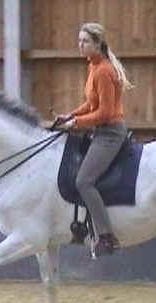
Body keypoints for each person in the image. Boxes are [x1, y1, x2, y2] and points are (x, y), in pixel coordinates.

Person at [56, 22, 133, 256]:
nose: (81, 46)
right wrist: (70, 115)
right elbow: (91, 104)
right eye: (79, 41)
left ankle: (107, 237)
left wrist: (75, 124)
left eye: (85, 42)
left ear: (98, 44)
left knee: (84, 181)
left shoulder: (104, 71)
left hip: (110, 133)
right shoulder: (93, 66)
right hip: (100, 130)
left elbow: (105, 113)